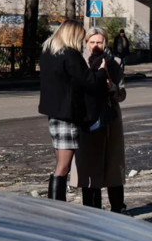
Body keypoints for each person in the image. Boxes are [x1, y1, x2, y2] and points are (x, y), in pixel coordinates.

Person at [38, 20, 109, 201]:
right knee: (63, 165)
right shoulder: (70, 54)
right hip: (67, 114)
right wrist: (101, 72)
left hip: (53, 113)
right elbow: (88, 80)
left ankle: (55, 204)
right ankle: (56, 206)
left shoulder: (48, 53)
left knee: (61, 162)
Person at [70, 28, 128, 212]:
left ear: (106, 43)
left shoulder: (116, 63)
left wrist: (112, 88)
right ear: (86, 43)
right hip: (88, 117)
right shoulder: (79, 62)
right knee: (90, 164)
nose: (96, 46)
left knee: (113, 163)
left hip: (110, 118)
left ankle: (118, 208)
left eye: (100, 42)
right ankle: (92, 209)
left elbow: (122, 94)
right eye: (92, 42)